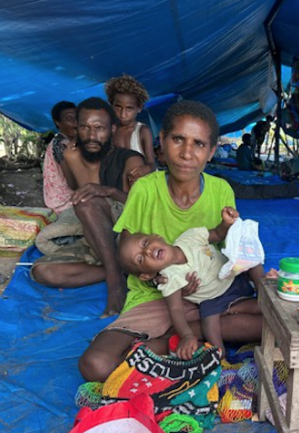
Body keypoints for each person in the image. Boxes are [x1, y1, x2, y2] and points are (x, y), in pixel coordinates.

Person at [78, 100, 268, 383]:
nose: (187, 153)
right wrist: (161, 280)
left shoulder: (220, 191)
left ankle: (187, 332)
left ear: (211, 151)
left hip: (208, 296)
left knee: (272, 326)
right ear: (162, 141)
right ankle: (181, 335)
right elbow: (128, 254)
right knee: (96, 365)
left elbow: (226, 249)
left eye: (199, 144)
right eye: (178, 139)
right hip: (156, 296)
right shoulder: (145, 189)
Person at [32, 97, 145, 317]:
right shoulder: (70, 157)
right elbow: (76, 187)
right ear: (76, 128)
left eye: (99, 128)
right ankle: (118, 271)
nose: (92, 136)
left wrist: (110, 192)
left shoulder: (131, 160)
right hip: (95, 238)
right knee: (41, 272)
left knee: (86, 201)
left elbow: (143, 208)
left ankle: (115, 285)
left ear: (112, 129)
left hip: (127, 235)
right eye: (84, 127)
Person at [118, 206, 265, 359]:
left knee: (252, 260)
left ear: (157, 237)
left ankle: (264, 292)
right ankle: (220, 354)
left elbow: (217, 234)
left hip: (233, 277)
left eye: (145, 243)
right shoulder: (170, 277)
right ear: (147, 275)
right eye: (140, 259)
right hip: (214, 301)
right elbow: (176, 310)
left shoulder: (189, 237)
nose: (147, 251)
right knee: (210, 324)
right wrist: (187, 336)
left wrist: (226, 223)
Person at [104, 75, 155, 183]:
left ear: (139, 108)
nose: (123, 114)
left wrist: (145, 169)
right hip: (118, 185)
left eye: (129, 108)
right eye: (118, 107)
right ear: (111, 104)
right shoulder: (109, 131)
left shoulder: (142, 131)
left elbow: (152, 164)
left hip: (143, 185)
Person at [42, 101, 78, 213]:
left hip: (59, 200)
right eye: (69, 118)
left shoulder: (69, 142)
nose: (75, 122)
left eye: (77, 117)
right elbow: (73, 184)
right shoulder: (61, 145)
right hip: (64, 203)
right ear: (58, 123)